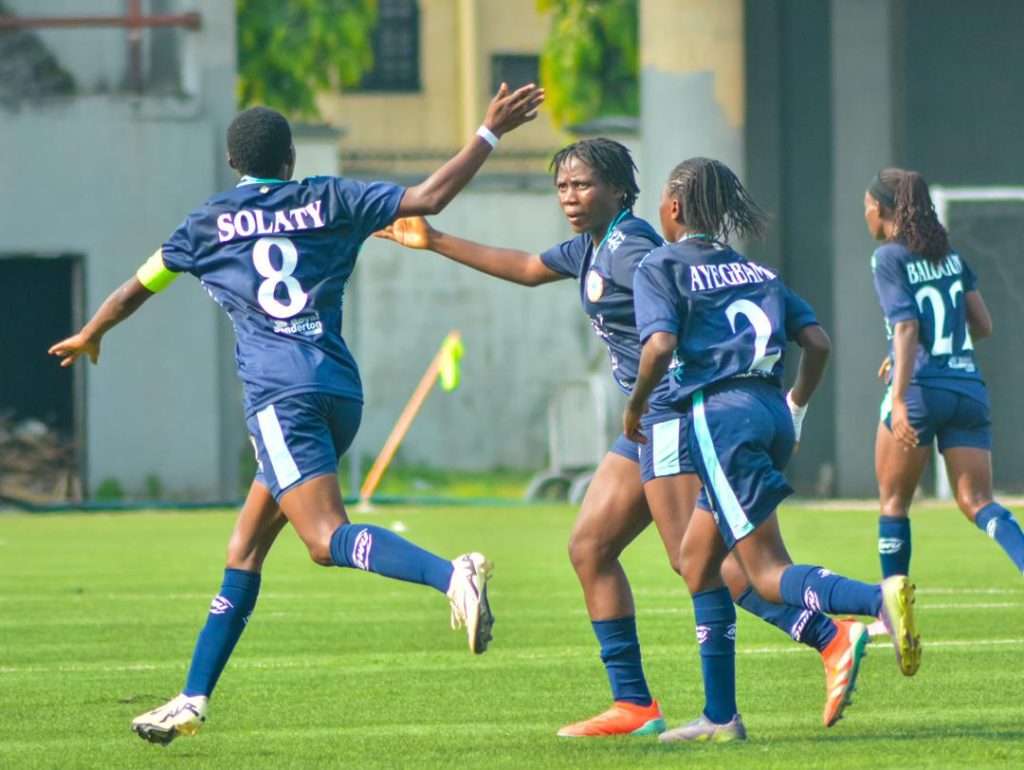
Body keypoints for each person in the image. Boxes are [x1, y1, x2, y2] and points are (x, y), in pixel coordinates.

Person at [48, 84, 545, 745]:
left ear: (233, 162)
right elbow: (429, 199)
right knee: (245, 548)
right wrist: (488, 133)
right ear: (290, 159)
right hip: (339, 394)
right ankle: (192, 697)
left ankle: (450, 575)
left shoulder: (206, 224)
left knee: (323, 540)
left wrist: (91, 333)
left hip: (281, 401)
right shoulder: (330, 196)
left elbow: (137, 288)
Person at [376, 139, 857, 736]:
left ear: (620, 191)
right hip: (644, 424)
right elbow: (527, 269)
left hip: (672, 415)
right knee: (590, 547)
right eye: (562, 187)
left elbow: (681, 319)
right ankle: (634, 704)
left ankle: (824, 637)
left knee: (696, 563)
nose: (569, 197)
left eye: (582, 185)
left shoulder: (635, 250)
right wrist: (436, 240)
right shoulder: (592, 245)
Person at [625, 157, 921, 742]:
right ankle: (720, 718)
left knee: (765, 572)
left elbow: (658, 346)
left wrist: (634, 407)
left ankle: (876, 601)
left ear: (675, 206)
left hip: (719, 416)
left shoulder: (661, 264)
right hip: (770, 409)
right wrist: (796, 407)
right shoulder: (756, 269)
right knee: (698, 563)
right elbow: (817, 343)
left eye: (661, 198)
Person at [864, 168, 1024, 581]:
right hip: (967, 389)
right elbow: (983, 325)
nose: (865, 214)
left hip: (919, 391)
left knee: (894, 503)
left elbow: (906, 326)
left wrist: (898, 396)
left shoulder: (888, 257)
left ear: (879, 208)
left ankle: (894, 609)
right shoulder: (949, 256)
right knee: (978, 501)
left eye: (866, 205)